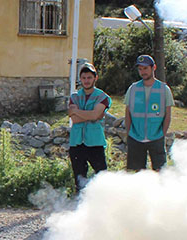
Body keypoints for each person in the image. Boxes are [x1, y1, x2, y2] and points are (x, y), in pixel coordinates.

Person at [123, 54, 174, 172]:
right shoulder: (133, 88)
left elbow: (168, 115)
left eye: (145, 68)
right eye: (140, 69)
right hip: (136, 137)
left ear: (153, 68)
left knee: (161, 173)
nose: (142, 72)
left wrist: (162, 134)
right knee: (136, 173)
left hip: (156, 137)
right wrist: (130, 133)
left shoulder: (163, 89)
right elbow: (128, 113)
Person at [67, 63, 112, 192]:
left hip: (95, 142)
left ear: (95, 78)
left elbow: (95, 114)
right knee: (79, 178)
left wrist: (78, 112)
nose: (86, 81)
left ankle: (105, 203)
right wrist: (92, 115)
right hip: (76, 142)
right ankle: (81, 206)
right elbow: (74, 119)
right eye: (84, 78)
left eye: (89, 78)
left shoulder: (102, 96)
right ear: (80, 79)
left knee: (102, 176)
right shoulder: (74, 96)